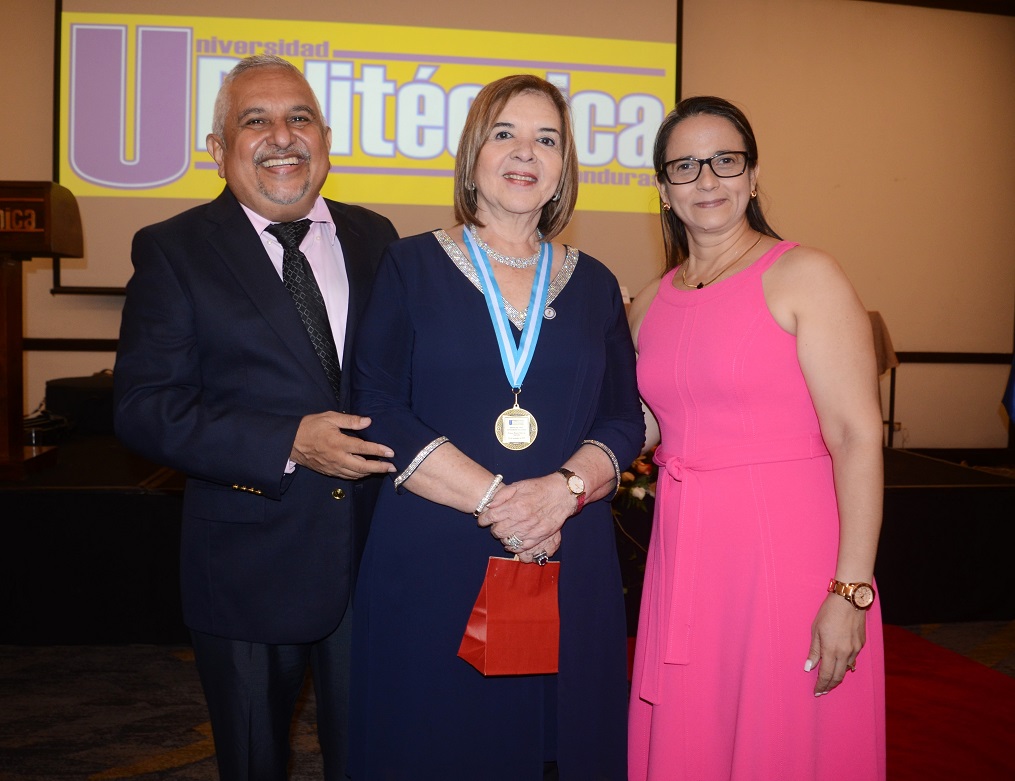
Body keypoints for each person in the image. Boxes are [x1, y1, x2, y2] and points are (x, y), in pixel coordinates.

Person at [347, 74, 644, 779]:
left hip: (563, 549)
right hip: (436, 548)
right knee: (434, 742)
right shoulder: (407, 264)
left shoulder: (595, 281)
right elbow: (377, 402)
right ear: (473, 152)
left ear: (563, 167)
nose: (525, 152)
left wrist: (561, 493)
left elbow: (622, 416)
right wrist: (497, 502)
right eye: (505, 132)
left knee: (556, 746)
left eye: (546, 139)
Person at [113, 55, 398, 780]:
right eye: (255, 120)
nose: (282, 136)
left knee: (374, 755)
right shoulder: (173, 249)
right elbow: (146, 409)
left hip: (375, 561)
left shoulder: (378, 238)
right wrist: (289, 442)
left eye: (298, 117)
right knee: (252, 762)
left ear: (325, 138)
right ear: (218, 149)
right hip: (246, 568)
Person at [627, 96, 886, 780]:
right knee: (696, 739)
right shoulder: (651, 301)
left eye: (724, 161)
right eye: (684, 166)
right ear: (662, 187)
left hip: (786, 558)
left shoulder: (805, 275)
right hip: (685, 554)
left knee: (784, 742)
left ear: (751, 174)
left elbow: (857, 435)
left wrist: (849, 588)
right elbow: (650, 423)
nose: (706, 179)